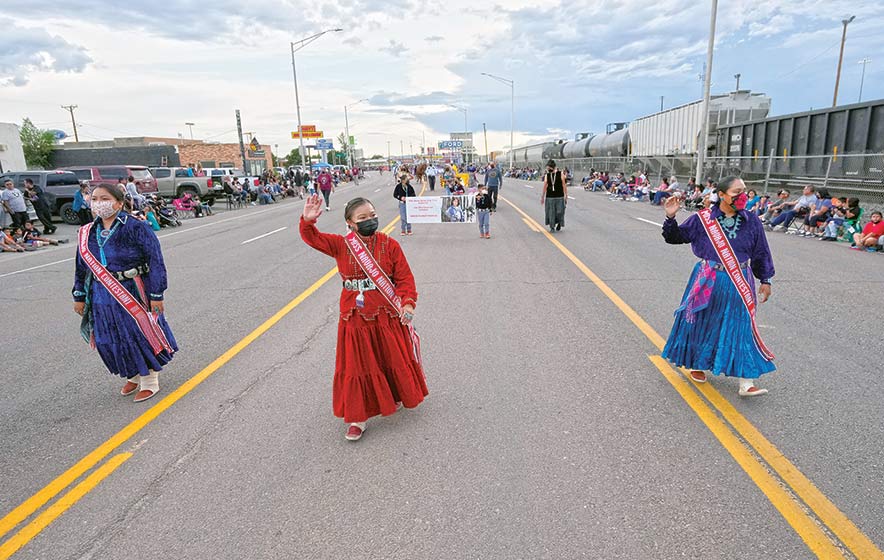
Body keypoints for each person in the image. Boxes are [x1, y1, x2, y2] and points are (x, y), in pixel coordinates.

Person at [299, 194, 428, 441]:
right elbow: (313, 239)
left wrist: (407, 303)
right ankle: (358, 417)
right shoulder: (341, 245)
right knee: (358, 365)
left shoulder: (389, 245)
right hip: (355, 315)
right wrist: (307, 222)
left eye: (372, 215)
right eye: (363, 218)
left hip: (386, 313)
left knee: (389, 356)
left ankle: (394, 394)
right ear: (350, 222)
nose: (370, 220)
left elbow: (404, 278)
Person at [661, 176, 775, 396]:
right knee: (705, 321)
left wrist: (766, 279)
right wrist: (670, 216)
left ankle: (746, 382)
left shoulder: (751, 221)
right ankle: (698, 363)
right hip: (708, 278)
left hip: (739, 278)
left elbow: (761, 251)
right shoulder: (702, 219)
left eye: (744, 191)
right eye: (736, 192)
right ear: (721, 195)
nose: (742, 196)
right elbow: (676, 237)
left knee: (741, 325)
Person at [72, 183, 177, 402]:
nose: (99, 203)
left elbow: (155, 260)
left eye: (105, 198)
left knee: (137, 333)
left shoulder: (136, 227)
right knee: (108, 337)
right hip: (101, 294)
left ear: (119, 202)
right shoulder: (87, 232)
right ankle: (133, 373)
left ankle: (149, 379)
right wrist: (79, 295)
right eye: (95, 199)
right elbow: (81, 267)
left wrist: (157, 293)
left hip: (132, 289)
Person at [541, 159, 567, 233]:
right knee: (551, 212)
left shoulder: (560, 174)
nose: (548, 169)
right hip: (550, 197)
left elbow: (564, 185)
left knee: (560, 211)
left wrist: (566, 195)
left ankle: (559, 222)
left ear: (553, 167)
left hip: (560, 196)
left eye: (549, 167)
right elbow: (545, 186)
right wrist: (542, 196)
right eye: (547, 167)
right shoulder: (547, 175)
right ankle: (552, 227)